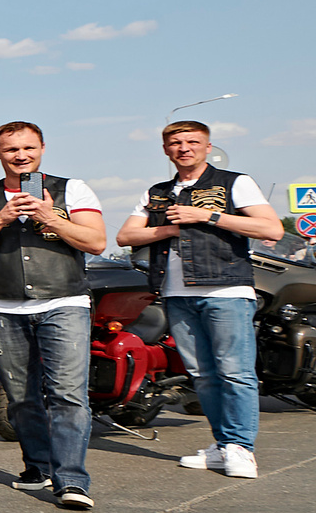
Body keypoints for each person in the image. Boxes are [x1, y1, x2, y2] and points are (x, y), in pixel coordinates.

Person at [0, 121, 108, 510]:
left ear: (41, 149)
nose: (21, 156)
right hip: (3, 306)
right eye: (11, 150)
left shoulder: (72, 190)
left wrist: (50, 217)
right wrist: (1, 218)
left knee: (68, 393)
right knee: (20, 397)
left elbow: (97, 241)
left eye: (28, 148)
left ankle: (71, 480)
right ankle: (38, 467)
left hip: (63, 301)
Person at [118, 121, 284, 480]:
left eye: (193, 142)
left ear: (208, 147)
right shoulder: (158, 192)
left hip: (226, 290)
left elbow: (271, 228)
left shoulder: (234, 182)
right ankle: (224, 445)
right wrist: (172, 228)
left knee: (235, 372)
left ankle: (241, 448)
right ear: (166, 150)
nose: (184, 148)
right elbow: (126, 235)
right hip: (177, 293)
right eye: (176, 143)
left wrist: (206, 216)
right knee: (203, 376)